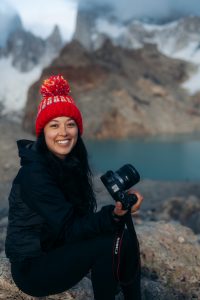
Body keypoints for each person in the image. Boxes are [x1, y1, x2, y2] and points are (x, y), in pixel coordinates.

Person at [5, 74, 143, 300]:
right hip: (33, 268)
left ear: (78, 130)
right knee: (107, 244)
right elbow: (70, 228)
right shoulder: (34, 175)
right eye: (54, 125)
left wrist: (119, 214)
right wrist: (112, 214)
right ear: (42, 133)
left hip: (57, 249)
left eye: (70, 124)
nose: (63, 132)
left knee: (122, 237)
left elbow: (79, 223)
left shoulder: (68, 164)